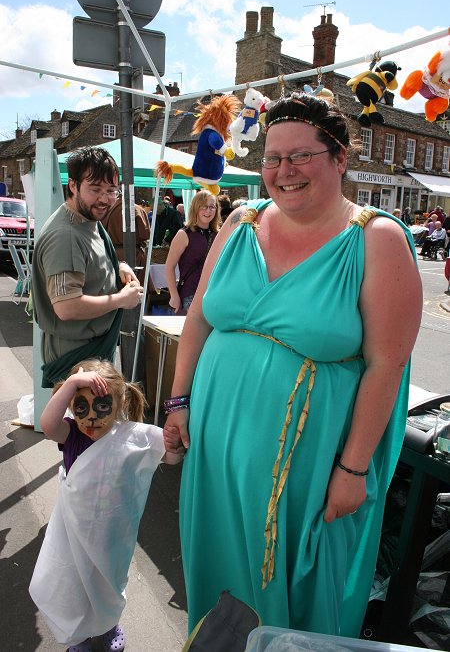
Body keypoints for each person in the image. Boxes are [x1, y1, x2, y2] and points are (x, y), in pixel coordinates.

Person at [163, 92, 422, 638]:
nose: (284, 171)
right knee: (218, 578)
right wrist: (179, 401)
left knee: (289, 590)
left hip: (305, 458)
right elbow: (199, 319)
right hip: (216, 444)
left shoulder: (377, 239)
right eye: (272, 158)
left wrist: (352, 471)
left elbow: (386, 365)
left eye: (300, 156)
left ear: (340, 157)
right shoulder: (240, 220)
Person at [29, 359, 181, 652]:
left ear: (120, 400)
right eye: (80, 406)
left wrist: (174, 444)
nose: (92, 419)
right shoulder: (71, 434)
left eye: (102, 406)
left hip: (112, 534)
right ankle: (80, 635)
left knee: (108, 584)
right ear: (72, 405)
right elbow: (47, 425)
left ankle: (108, 624)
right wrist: (71, 383)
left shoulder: (133, 436)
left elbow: (169, 457)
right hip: (74, 532)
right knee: (74, 584)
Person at [32, 146, 143, 388]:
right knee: (86, 425)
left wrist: (118, 266)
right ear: (73, 185)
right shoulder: (66, 236)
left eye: (111, 191)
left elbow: (89, 262)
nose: (105, 199)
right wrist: (121, 299)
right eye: (95, 189)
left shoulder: (87, 220)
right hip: (78, 356)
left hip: (90, 350)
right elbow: (67, 307)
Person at [165, 190, 219, 314]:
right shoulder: (184, 234)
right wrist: (174, 295)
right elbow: (169, 267)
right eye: (204, 206)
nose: (208, 211)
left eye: (212, 207)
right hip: (190, 295)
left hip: (213, 295)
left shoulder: (218, 235)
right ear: (196, 207)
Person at [102, 197, 151, 286]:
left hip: (113, 254)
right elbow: (145, 234)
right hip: (133, 255)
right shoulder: (137, 209)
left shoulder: (106, 210)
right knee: (135, 288)